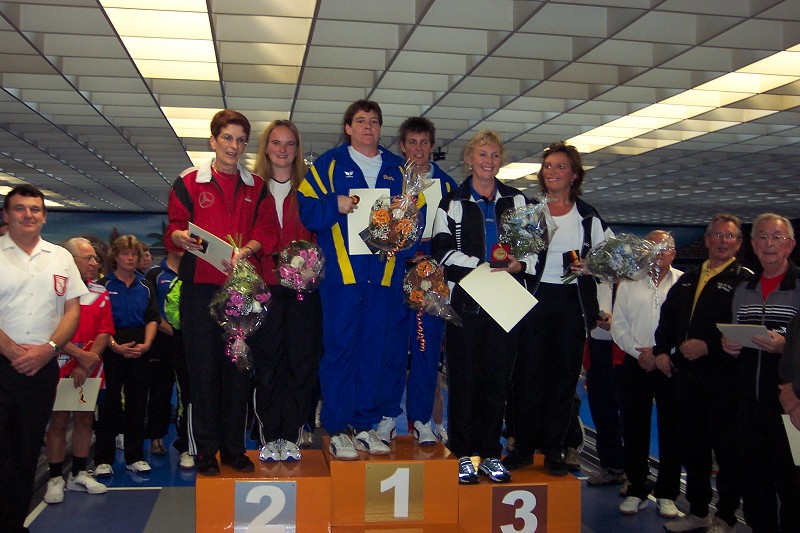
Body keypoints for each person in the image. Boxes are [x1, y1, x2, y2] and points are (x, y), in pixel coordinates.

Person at [298, 99, 421, 460]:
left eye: (374, 121)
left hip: (383, 277)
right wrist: (333, 205)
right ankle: (337, 428)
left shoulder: (399, 169)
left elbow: (415, 224)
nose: (368, 127)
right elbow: (307, 210)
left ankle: (365, 426)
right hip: (342, 278)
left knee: (374, 353)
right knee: (339, 352)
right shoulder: (328, 164)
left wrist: (403, 221)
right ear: (348, 128)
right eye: (361, 121)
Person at [167, 109, 280, 475]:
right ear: (213, 141)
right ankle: (204, 451)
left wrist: (247, 250)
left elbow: (267, 232)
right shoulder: (189, 182)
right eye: (227, 138)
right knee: (202, 373)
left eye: (241, 140)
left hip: (240, 293)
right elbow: (174, 228)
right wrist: (180, 237)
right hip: (200, 290)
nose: (234, 146)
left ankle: (234, 448)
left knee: (238, 370)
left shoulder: (256, 186)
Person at [503, 141, 612, 476]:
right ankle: (523, 447)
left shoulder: (588, 217)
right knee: (527, 377)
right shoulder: (531, 212)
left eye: (560, 166)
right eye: (548, 166)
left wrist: (591, 267)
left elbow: (610, 260)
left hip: (570, 303)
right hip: (534, 299)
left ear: (574, 175)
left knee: (563, 380)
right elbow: (516, 254)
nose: (552, 172)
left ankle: (554, 449)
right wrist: (514, 264)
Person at [431, 129, 530, 484]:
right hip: (467, 304)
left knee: (496, 381)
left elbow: (533, 247)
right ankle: (462, 452)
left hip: (505, 302)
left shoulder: (518, 201)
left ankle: (489, 453)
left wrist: (519, 264)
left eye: (495, 155)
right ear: (470, 159)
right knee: (464, 380)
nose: (489, 161)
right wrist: (484, 267)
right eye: (483, 154)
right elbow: (443, 253)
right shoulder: (452, 202)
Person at [653, 214, 752, 533]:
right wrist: (661, 351)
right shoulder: (689, 279)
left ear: (739, 243)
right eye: (717, 235)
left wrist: (708, 347)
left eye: (730, 236)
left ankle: (725, 516)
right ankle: (698, 511)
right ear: (707, 240)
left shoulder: (745, 281)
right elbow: (667, 319)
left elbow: (746, 330)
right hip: (688, 378)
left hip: (725, 380)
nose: (723, 241)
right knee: (693, 448)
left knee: (727, 451)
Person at [0, 184, 86, 533]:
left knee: (25, 452)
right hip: (3, 363)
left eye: (35, 209)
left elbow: (72, 310)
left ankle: (14, 524)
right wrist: (10, 349)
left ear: (45, 216)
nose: (28, 215)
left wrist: (49, 349)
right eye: (20, 208)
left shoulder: (60, 258)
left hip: (41, 366)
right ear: (6, 215)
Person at [377, 116, 458, 446]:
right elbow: (378, 228)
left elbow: (454, 237)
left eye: (424, 143)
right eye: (412, 142)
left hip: (431, 276)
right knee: (392, 348)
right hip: (396, 271)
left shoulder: (448, 186)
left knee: (426, 350)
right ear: (402, 146)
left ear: (432, 146)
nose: (419, 149)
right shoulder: (389, 181)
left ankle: (422, 419)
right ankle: (387, 416)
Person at [721, 213, 800, 533]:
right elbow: (736, 329)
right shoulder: (744, 288)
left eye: (777, 238)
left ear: (790, 245)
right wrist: (729, 343)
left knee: (793, 485)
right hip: (748, 405)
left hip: (789, 405)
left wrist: (785, 346)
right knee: (755, 485)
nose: (769, 244)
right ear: (753, 245)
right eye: (762, 237)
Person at [250, 120, 322, 463]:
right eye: (276, 143)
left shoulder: (309, 191)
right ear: (266, 148)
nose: (282, 150)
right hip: (265, 288)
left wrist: (312, 266)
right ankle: (268, 436)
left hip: (302, 291)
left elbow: (320, 235)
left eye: (290, 144)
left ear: (297, 150)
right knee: (267, 366)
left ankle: (292, 435)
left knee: (300, 364)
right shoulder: (253, 190)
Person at [610, 231, 683, 518]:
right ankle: (636, 488)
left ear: (674, 253)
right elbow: (619, 325)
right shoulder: (629, 281)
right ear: (644, 250)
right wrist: (639, 353)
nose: (660, 252)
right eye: (654, 246)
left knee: (672, 429)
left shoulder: (683, 283)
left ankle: (667, 493)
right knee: (634, 428)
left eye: (666, 248)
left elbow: (685, 327)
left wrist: (663, 353)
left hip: (670, 364)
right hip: (636, 362)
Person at [43, 238, 113, 504]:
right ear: (70, 259)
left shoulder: (100, 292)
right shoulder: (55, 290)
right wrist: (78, 356)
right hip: (60, 362)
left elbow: (105, 331)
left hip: (92, 365)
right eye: (88, 258)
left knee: (85, 419)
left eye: (95, 258)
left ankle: (79, 473)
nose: (94, 263)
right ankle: (55, 478)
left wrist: (87, 361)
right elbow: (49, 329)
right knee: (59, 421)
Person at [93, 235, 159, 476]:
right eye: (125, 254)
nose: (130, 258)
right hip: (110, 346)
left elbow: (152, 318)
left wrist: (146, 345)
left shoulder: (146, 286)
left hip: (139, 347)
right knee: (108, 404)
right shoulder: (103, 285)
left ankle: (136, 456)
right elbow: (98, 321)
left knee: (137, 402)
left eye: (134, 254)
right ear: (115, 257)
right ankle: (103, 459)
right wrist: (112, 345)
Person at [144, 249, 194, 469]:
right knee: (160, 390)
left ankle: (185, 443)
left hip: (187, 343)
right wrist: (172, 330)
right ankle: (156, 436)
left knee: (186, 393)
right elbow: (151, 310)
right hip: (162, 341)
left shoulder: (193, 272)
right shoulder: (155, 274)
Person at [584, 282, 625, 485]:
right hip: (597, 347)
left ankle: (635, 473)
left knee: (630, 413)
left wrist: (616, 324)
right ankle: (611, 466)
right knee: (602, 411)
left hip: (626, 350)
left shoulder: (634, 280)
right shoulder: (592, 279)